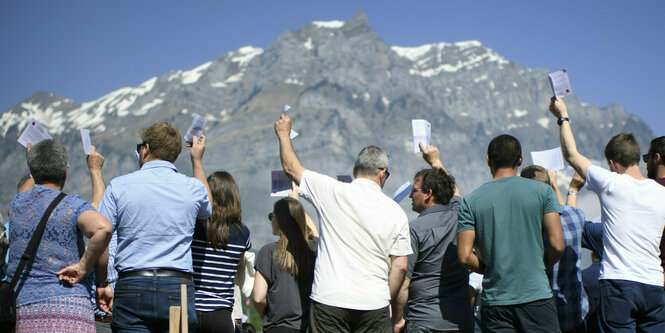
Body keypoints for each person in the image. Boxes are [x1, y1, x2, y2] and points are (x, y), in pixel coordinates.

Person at [273, 114, 411, 333]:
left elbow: (291, 168)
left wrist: (283, 134)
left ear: (356, 170)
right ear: (382, 173)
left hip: (330, 299)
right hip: (373, 302)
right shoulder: (396, 213)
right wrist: (385, 296)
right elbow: (401, 266)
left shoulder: (332, 191)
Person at [549, 97, 665, 331]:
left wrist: (562, 115)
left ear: (612, 164)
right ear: (636, 158)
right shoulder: (661, 192)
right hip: (654, 285)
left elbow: (571, 155)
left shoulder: (611, 183)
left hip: (619, 284)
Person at [98, 122, 212, 332]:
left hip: (132, 284)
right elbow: (208, 209)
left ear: (146, 148)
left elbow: (101, 235)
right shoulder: (192, 188)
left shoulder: (119, 186)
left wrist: (102, 281)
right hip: (177, 287)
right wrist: (197, 161)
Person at [457, 134, 564, 332]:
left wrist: (490, 270)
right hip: (536, 294)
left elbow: (464, 256)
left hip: (496, 300)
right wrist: (541, 267)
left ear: (488, 159)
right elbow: (558, 245)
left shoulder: (471, 201)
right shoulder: (543, 192)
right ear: (520, 159)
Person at [7, 140, 113, 332]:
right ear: (65, 173)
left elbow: (31, 192)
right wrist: (83, 268)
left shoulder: (16, 205)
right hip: (71, 311)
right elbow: (103, 228)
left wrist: (33, 162)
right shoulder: (73, 206)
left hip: (24, 311)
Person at [394, 143, 473, 332]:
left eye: (415, 190)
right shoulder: (459, 216)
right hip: (459, 320)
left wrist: (397, 320)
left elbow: (404, 281)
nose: (411, 196)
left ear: (428, 194)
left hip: (424, 321)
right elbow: (455, 192)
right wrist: (435, 161)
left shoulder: (414, 229)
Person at [520, 165, 588, 333]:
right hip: (575, 313)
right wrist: (556, 187)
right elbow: (562, 214)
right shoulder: (577, 216)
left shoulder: (527, 225)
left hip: (542, 317)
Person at [192, 171, 251, 333]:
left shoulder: (195, 227)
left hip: (192, 310)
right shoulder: (242, 233)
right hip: (222, 315)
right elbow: (238, 262)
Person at [253, 192, 318, 333]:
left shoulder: (268, 251)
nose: (271, 220)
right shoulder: (313, 250)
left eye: (272, 216)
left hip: (276, 327)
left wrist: (266, 316)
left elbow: (258, 297)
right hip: (305, 328)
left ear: (280, 220)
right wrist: (296, 204)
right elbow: (314, 232)